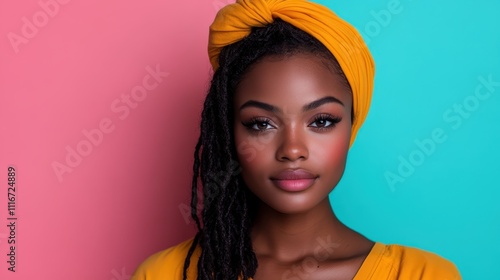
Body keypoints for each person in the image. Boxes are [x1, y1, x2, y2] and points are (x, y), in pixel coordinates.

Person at [131, 0, 461, 279]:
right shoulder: (166, 272)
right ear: (229, 132)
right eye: (261, 124)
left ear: (351, 126)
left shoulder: (423, 273)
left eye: (321, 121)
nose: (292, 150)